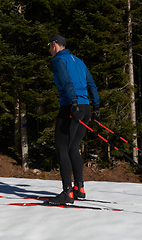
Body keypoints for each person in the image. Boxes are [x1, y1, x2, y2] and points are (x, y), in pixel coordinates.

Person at [48, 33, 101, 204]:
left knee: (62, 148)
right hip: (85, 109)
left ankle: (67, 193)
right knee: (73, 148)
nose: (49, 50)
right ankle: (79, 188)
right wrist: (97, 107)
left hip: (72, 107)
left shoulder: (57, 60)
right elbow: (91, 84)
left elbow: (66, 82)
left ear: (54, 44)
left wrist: (73, 103)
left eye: (49, 46)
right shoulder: (78, 61)